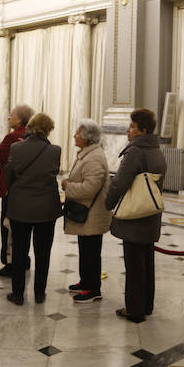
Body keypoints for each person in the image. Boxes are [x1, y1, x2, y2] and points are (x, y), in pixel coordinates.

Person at [104, 108, 167, 323]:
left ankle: (134, 310)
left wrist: (108, 204)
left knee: (134, 266)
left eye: (132, 127)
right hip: (150, 213)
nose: (128, 131)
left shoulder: (135, 152)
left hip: (134, 215)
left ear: (143, 130)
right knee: (147, 263)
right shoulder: (157, 150)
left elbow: (120, 182)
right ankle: (146, 305)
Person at [4, 112, 61, 306]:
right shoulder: (55, 151)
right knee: (43, 253)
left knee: (20, 251)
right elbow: (52, 175)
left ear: (30, 127)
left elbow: (9, 177)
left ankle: (18, 294)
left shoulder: (16, 148)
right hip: (46, 209)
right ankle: (39, 293)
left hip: (20, 207)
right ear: (48, 130)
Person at [62, 119, 111, 303]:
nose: (74, 136)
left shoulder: (94, 157)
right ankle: (85, 282)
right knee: (85, 250)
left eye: (77, 133)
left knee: (91, 252)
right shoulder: (87, 154)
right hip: (87, 214)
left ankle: (93, 289)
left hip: (93, 214)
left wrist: (68, 186)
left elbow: (89, 188)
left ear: (87, 137)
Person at [0, 105, 34, 278]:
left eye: (12, 115)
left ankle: (10, 263)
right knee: (22, 228)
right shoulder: (32, 136)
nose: (9, 117)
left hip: (10, 188)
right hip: (27, 190)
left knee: (8, 227)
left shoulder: (14, 136)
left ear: (20, 119)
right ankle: (23, 259)